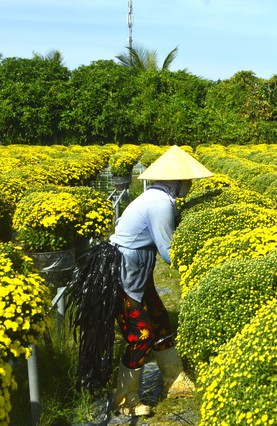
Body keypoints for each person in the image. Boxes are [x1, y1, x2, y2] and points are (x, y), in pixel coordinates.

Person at [65, 145, 212, 417]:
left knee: (160, 320)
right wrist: (202, 259)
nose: (190, 186)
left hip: (138, 273)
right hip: (120, 275)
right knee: (140, 334)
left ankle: (175, 381)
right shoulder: (159, 205)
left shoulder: (159, 198)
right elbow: (168, 251)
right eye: (188, 181)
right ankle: (126, 398)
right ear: (177, 181)